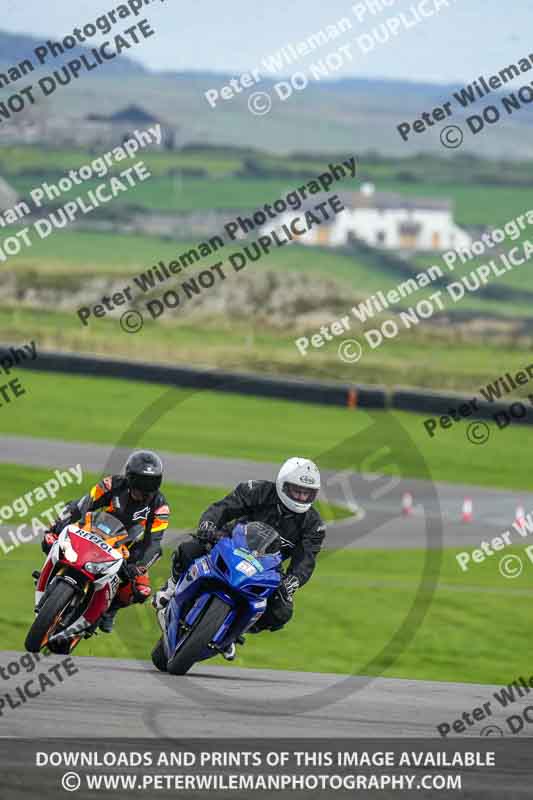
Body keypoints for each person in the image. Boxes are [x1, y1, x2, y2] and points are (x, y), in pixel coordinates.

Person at [154, 457, 325, 660]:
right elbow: (224, 507)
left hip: (268, 567)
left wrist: (293, 581)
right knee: (190, 549)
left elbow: (306, 560)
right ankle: (173, 586)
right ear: (282, 484)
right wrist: (208, 524)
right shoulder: (258, 490)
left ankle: (234, 632)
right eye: (296, 490)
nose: (300, 496)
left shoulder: (313, 524)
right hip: (230, 543)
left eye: (307, 493)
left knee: (281, 612)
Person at [40, 450, 170, 635]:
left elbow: (154, 542)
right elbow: (84, 504)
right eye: (141, 482)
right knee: (49, 539)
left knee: (142, 590)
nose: (144, 489)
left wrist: (138, 565)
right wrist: (59, 526)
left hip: (125, 546)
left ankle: (110, 609)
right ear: (130, 476)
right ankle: (53, 574)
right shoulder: (111, 484)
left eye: (151, 482)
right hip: (93, 530)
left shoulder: (160, 506)